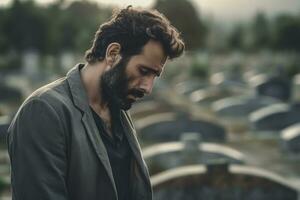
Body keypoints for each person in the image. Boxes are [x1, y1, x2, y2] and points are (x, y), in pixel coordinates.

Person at [7, 6, 184, 200]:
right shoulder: (43, 111)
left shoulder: (117, 109)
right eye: (143, 71)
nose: (148, 87)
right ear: (113, 53)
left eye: (154, 76)